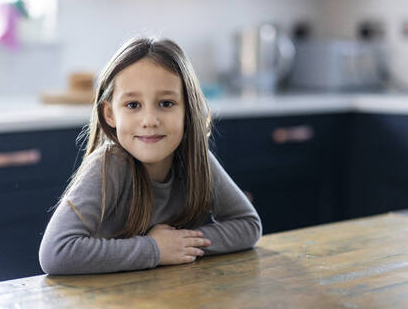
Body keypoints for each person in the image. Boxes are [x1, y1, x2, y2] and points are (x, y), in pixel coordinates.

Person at [39, 37, 262, 275]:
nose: (149, 121)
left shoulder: (197, 160)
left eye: (166, 103)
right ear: (110, 113)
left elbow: (248, 225)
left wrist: (179, 246)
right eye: (133, 105)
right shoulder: (109, 166)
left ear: (188, 109)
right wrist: (155, 249)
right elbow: (56, 252)